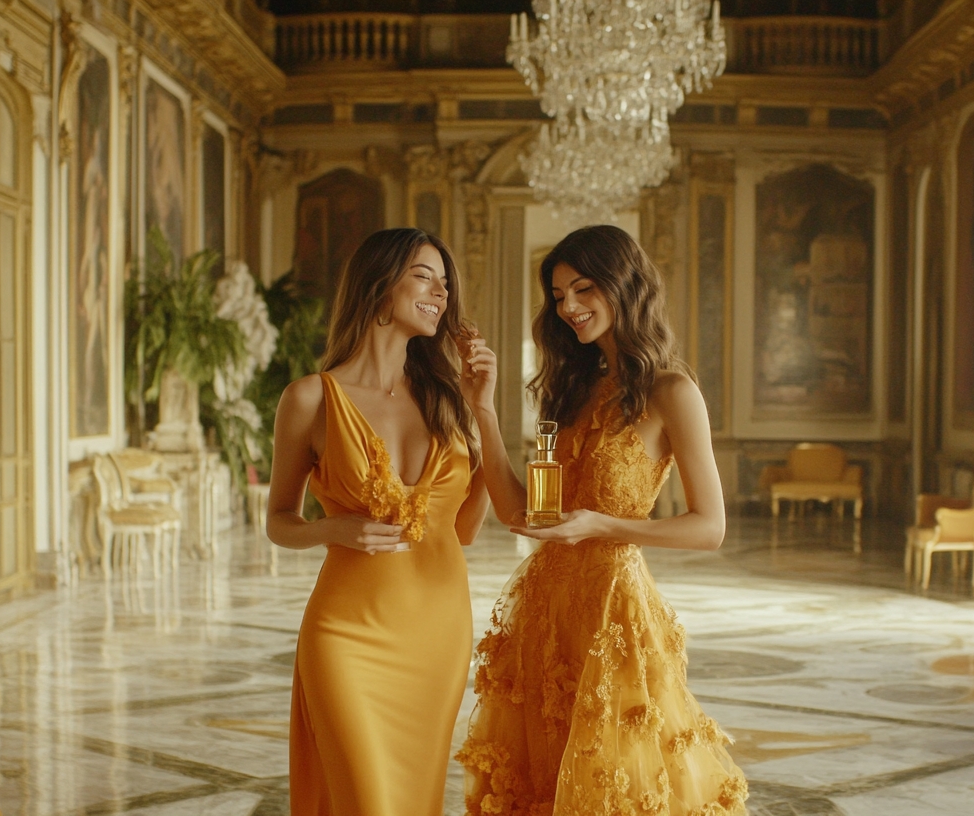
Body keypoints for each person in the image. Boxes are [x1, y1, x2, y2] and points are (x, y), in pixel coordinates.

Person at [455, 225, 748, 815]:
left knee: (615, 781)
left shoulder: (672, 391)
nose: (568, 307)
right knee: (541, 774)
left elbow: (708, 526)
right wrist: (481, 408)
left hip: (614, 610)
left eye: (583, 289)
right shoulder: (573, 390)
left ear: (625, 286)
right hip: (546, 612)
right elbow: (519, 512)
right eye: (559, 295)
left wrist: (601, 526)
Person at [266, 228, 490, 816]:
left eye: (445, 284)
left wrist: (485, 411)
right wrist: (330, 529)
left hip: (437, 631)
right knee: (366, 801)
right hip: (346, 631)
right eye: (424, 276)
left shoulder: (450, 399)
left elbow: (464, 530)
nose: (440, 293)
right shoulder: (311, 398)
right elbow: (279, 520)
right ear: (378, 283)